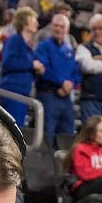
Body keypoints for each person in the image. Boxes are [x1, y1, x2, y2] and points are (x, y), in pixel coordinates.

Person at [34, 12, 79, 147]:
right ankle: (43, 167)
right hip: (48, 95)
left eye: (62, 26)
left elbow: (76, 72)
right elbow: (43, 69)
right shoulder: (43, 46)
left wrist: (71, 84)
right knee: (47, 135)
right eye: (56, 25)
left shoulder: (69, 50)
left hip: (65, 98)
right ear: (51, 27)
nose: (58, 29)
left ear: (67, 30)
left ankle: (61, 166)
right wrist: (62, 83)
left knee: (67, 135)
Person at [0, 6, 42, 126]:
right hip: (12, 91)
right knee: (12, 130)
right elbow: (8, 62)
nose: (37, 23)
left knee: (17, 129)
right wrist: (31, 64)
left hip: (22, 92)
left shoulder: (28, 46)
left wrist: (36, 70)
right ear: (25, 21)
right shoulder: (14, 40)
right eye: (34, 19)